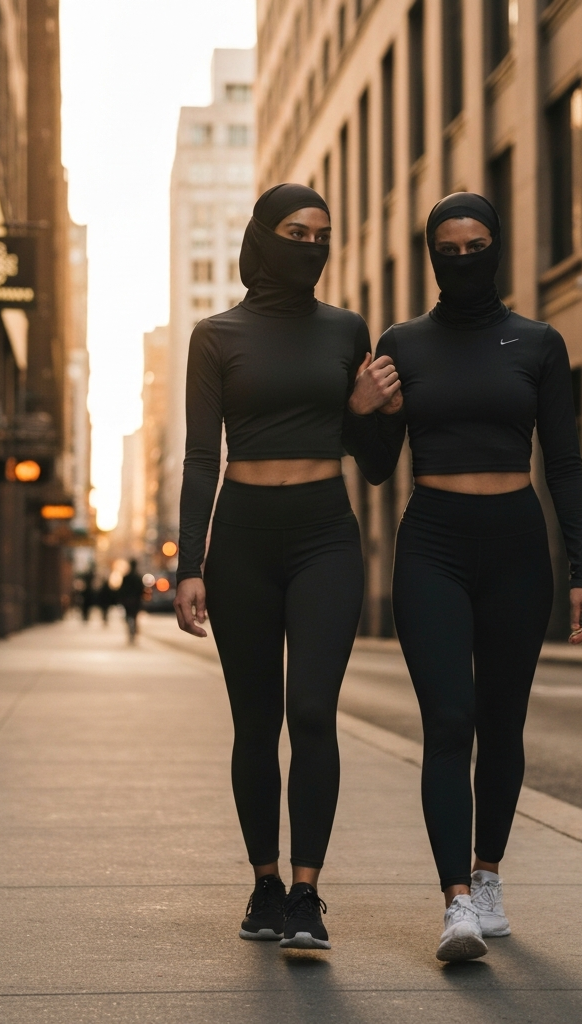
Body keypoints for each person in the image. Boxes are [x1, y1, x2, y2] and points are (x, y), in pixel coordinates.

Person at [346, 193, 582, 963]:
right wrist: (362, 410)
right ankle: (455, 899)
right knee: (449, 721)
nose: (462, 258)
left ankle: (489, 875)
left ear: (497, 246)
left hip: (519, 546)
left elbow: (562, 462)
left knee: (503, 722)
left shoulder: (538, 343)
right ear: (431, 255)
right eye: (447, 248)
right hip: (433, 545)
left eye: (475, 244)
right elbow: (381, 469)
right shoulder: (404, 343)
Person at [173, 184, 399, 951]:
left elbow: (374, 466)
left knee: (312, 711)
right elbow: (203, 455)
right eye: (296, 232)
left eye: (323, 235)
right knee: (255, 721)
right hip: (239, 538)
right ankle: (264, 882)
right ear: (263, 237)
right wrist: (189, 562)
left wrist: (367, 409)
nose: (311, 245)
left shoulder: (346, 330)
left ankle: (307, 892)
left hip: (324, 535)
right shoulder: (216, 335)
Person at [118, 560, 145, 643]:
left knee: (128, 616)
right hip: (135, 600)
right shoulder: (138, 577)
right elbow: (141, 590)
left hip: (128, 600)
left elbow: (122, 590)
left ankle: (131, 631)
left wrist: (121, 599)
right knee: (134, 616)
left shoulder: (126, 577)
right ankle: (133, 631)